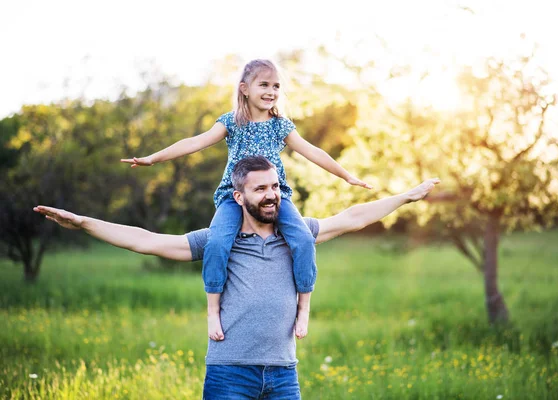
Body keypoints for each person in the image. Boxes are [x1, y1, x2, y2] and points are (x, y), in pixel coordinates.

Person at [34, 155, 439, 400]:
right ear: (238, 197)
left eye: (276, 186)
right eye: (260, 188)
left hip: (283, 374)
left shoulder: (294, 236)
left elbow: (352, 217)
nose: (271, 194)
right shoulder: (218, 241)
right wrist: (85, 223)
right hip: (231, 374)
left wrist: (404, 196)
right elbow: (147, 241)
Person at [121, 59, 372, 342]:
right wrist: (153, 158)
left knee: (303, 240)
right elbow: (194, 142)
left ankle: (304, 307)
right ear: (244, 89)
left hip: (275, 197)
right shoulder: (231, 122)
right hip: (233, 197)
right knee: (216, 243)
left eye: (276, 86)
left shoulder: (280, 126)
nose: (271, 91)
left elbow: (312, 151)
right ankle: (213, 310)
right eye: (264, 84)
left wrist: (346, 175)